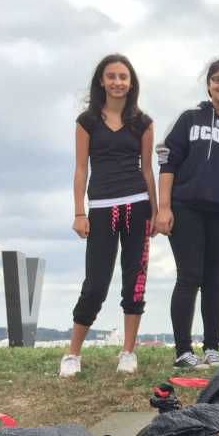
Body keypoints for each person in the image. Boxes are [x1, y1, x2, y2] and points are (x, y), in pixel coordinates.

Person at [155, 58, 219, 369]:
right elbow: (168, 162)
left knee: (215, 279)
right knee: (189, 277)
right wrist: (163, 208)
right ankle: (183, 350)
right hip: (185, 208)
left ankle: (212, 347)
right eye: (218, 79)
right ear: (209, 84)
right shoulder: (189, 118)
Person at [59, 54, 156, 378]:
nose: (117, 82)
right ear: (101, 80)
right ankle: (72, 353)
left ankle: (128, 351)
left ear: (131, 82)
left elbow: (147, 169)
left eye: (123, 77)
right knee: (96, 284)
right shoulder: (87, 121)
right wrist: (79, 212)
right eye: (111, 76)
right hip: (101, 208)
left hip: (137, 206)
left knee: (135, 281)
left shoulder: (143, 122)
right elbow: (80, 168)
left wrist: (155, 211)